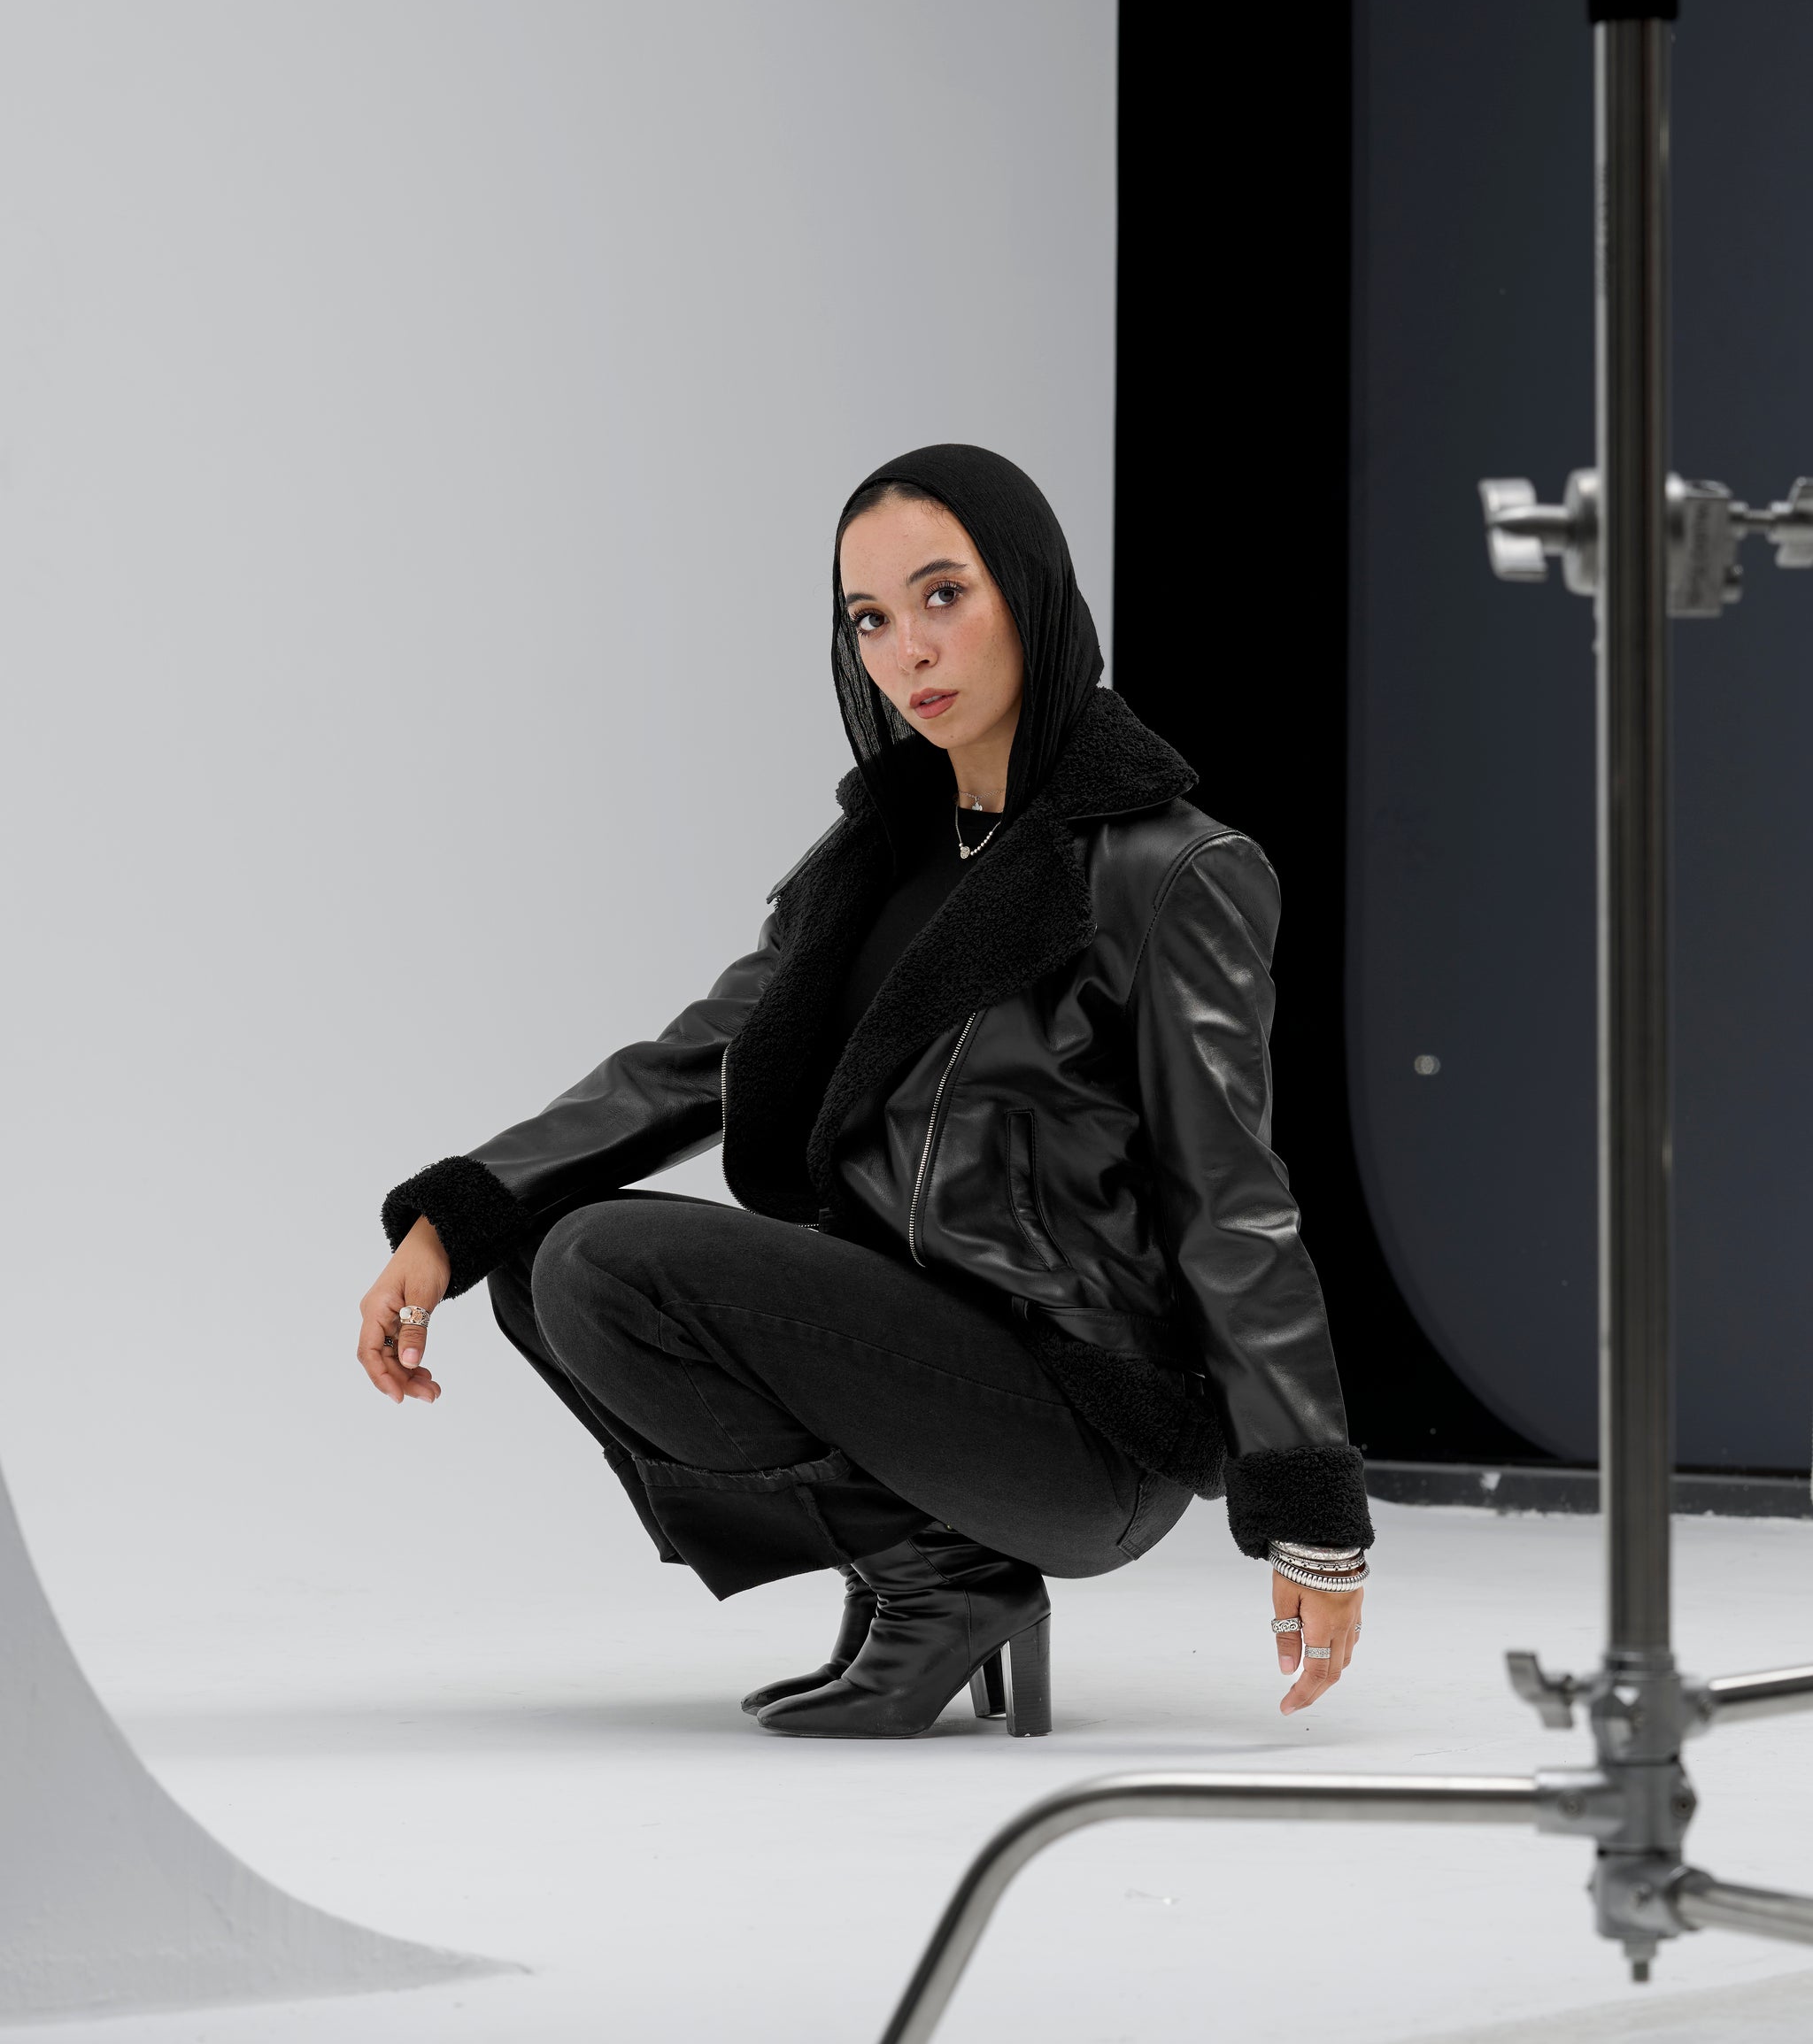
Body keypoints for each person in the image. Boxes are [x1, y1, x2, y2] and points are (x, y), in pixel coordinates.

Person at [357, 443, 1370, 1739]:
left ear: (1030, 591)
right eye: (871, 619)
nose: (910, 650)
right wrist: (453, 1219)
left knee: (604, 1259)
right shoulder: (875, 858)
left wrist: (1312, 1510)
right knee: (536, 1250)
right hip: (916, 1360)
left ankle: (949, 1583)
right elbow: (694, 1060)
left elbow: (1231, 1200)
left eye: (945, 595)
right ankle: (927, 1573)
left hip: (1081, 1422)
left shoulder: (1167, 870)